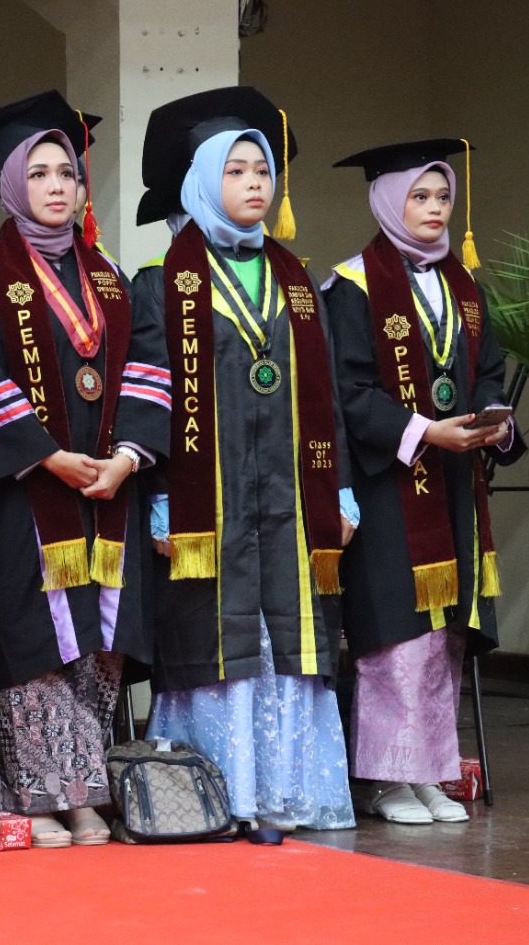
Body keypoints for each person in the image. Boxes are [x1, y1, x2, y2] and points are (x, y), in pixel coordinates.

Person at [132, 87, 357, 833]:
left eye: (263, 170)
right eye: (235, 171)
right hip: (212, 501)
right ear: (200, 183)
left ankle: (284, 794)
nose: (256, 183)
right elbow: (151, 399)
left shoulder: (301, 282)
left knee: (288, 641)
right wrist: (162, 497)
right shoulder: (161, 282)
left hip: (290, 498)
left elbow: (326, 396)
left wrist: (340, 491)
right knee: (214, 641)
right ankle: (216, 795)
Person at [0, 91, 167, 847]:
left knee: (100, 635)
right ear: (13, 185)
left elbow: (148, 371)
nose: (56, 186)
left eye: (67, 173)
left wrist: (127, 458)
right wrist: (48, 455)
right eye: (38, 173)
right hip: (25, 492)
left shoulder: (110, 275)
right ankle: (40, 794)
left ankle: (87, 789)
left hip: (108, 489)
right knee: (38, 638)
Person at [323, 139, 523, 825]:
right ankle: (385, 778)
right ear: (386, 201)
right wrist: (423, 431)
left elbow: (488, 371)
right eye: (419, 196)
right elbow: (348, 392)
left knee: (444, 637)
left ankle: (432, 771)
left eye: (442, 197)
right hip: (387, 485)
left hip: (456, 485)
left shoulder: (464, 287)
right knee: (396, 635)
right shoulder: (351, 286)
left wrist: (495, 421)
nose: (435, 209)